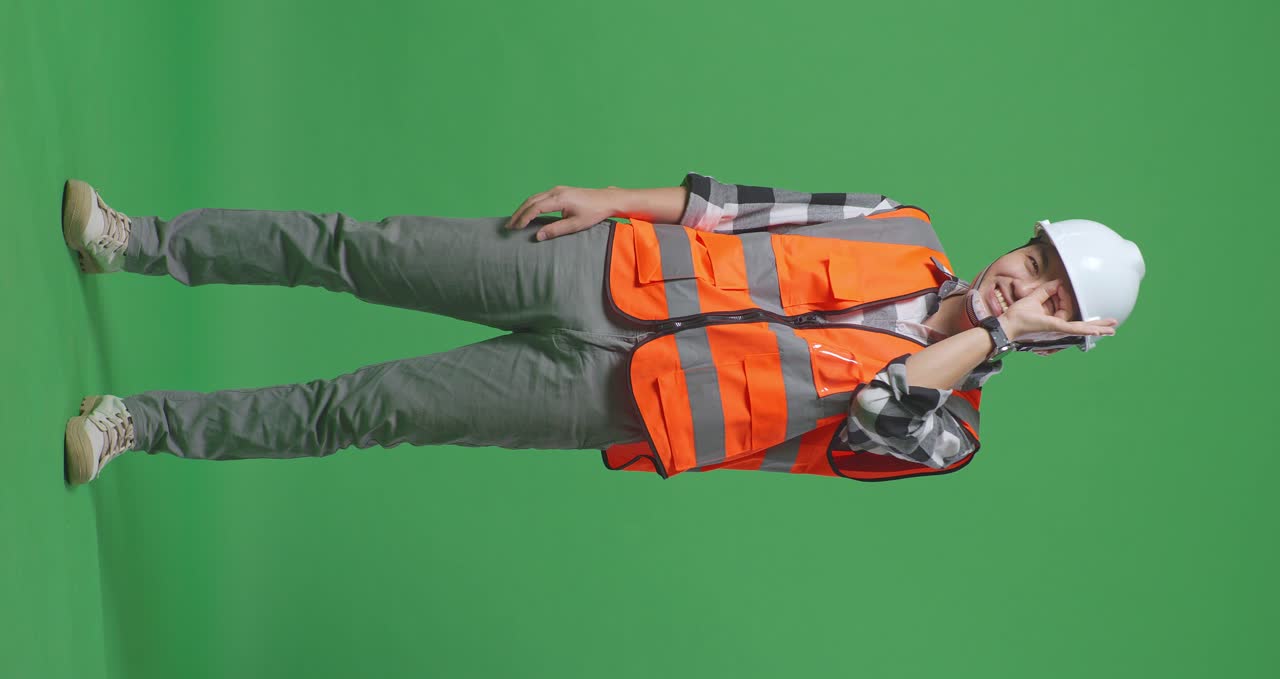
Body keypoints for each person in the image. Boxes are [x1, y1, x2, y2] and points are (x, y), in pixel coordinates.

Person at [61, 173, 1144, 486]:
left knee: (369, 408)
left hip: (616, 400)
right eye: (1035, 261)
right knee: (362, 248)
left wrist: (994, 340)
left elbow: (878, 407)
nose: (1025, 284)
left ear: (1061, 338)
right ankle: (134, 239)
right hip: (608, 268)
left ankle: (137, 426)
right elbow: (736, 209)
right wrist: (612, 199)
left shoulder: (951, 433)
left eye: (1053, 300)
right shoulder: (898, 222)